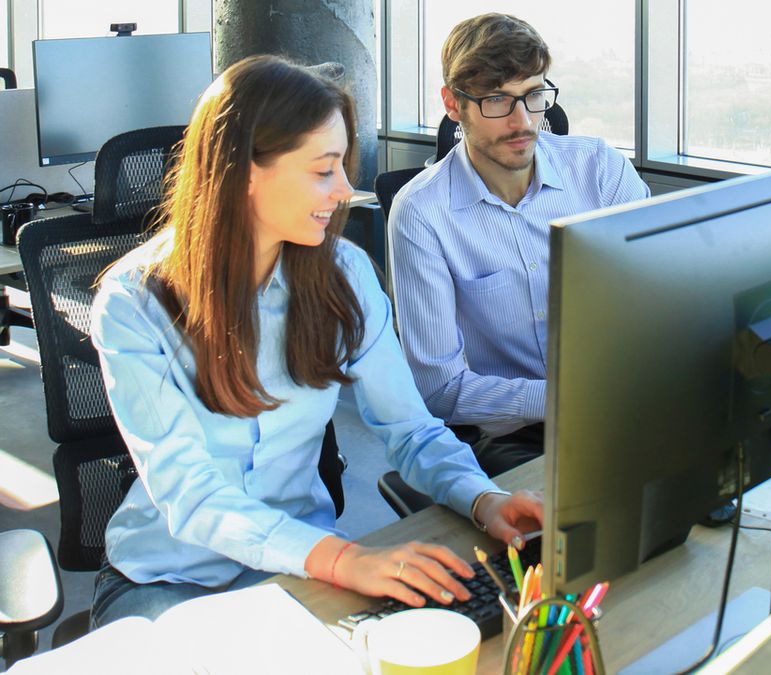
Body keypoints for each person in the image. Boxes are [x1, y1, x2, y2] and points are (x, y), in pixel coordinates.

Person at [89, 55, 542, 628]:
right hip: (169, 578)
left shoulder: (343, 275)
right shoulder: (134, 302)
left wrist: (482, 499)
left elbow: (410, 429)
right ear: (243, 171)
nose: (346, 190)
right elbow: (191, 496)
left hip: (296, 573)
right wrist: (344, 560)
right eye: (325, 170)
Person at [389, 13, 650, 475]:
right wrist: (568, 398)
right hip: (510, 429)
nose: (523, 121)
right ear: (453, 105)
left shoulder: (600, 169)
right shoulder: (421, 213)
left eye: (533, 95)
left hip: (621, 398)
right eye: (497, 100)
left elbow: (659, 297)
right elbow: (439, 389)